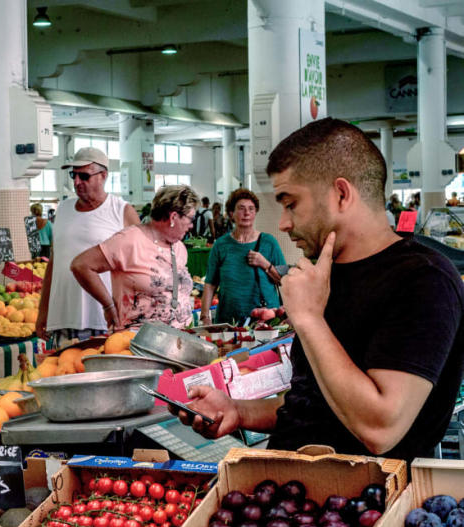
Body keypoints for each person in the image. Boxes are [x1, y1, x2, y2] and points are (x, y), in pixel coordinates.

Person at [170, 117, 464, 464]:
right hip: (289, 492)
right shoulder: (328, 275)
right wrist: (238, 410)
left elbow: (380, 428)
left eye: (291, 203)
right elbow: (315, 402)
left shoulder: (424, 280)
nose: (283, 223)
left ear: (341, 194)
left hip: (361, 505)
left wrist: (309, 319)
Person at [35, 147, 139, 344]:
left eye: (84, 176)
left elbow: (140, 265)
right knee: (64, 370)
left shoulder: (121, 211)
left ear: (103, 176)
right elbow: (54, 264)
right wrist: (43, 311)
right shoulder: (64, 210)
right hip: (63, 318)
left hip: (104, 320)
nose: (76, 182)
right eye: (73, 175)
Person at [71, 185, 197, 330]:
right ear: (173, 217)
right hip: (138, 343)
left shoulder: (179, 247)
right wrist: (108, 306)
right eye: (190, 218)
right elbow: (81, 265)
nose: (192, 225)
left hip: (180, 341)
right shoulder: (129, 240)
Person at [200, 189, 286, 325]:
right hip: (229, 320)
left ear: (255, 213)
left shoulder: (269, 242)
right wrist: (205, 317)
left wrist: (265, 264)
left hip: (265, 320)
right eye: (241, 208)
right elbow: (210, 283)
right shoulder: (221, 245)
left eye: (251, 209)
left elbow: (284, 280)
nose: (247, 213)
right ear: (231, 213)